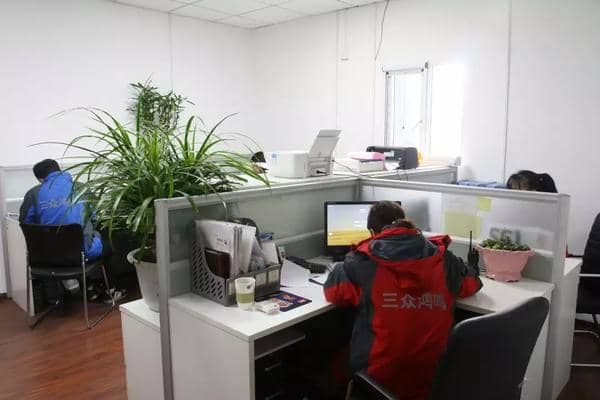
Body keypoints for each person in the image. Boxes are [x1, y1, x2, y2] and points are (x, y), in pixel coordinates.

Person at [324, 201, 482, 400]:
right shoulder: (444, 259)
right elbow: (471, 284)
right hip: (431, 376)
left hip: (377, 377)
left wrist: (342, 266)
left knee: (328, 359)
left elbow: (333, 292)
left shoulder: (361, 262)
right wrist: (473, 268)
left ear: (372, 232)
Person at [19, 159, 124, 302]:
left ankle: (88, 288)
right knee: (107, 245)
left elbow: (25, 223)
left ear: (41, 179)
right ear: (59, 170)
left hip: (46, 257)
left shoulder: (33, 194)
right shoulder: (81, 188)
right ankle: (110, 291)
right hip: (80, 255)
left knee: (76, 241)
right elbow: (97, 216)